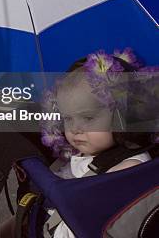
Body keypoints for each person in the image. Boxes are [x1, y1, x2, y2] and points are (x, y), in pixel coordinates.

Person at [37, 49, 154, 238]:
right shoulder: (84, 154)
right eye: (68, 118)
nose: (75, 129)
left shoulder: (128, 169)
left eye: (88, 117)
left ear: (122, 116)